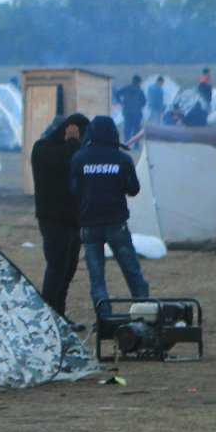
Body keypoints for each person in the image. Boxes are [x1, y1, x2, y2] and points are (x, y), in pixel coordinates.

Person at [69, 115, 148, 314]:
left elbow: (73, 190)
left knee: (97, 278)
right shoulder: (122, 158)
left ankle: (104, 320)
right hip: (116, 223)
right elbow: (134, 189)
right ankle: (145, 315)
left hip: (90, 225)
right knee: (132, 272)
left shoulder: (80, 158)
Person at [30, 111, 90, 318]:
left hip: (72, 220)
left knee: (68, 270)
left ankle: (60, 315)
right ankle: (49, 316)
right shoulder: (41, 149)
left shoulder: (73, 149)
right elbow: (62, 161)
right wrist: (72, 142)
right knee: (57, 268)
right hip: (53, 219)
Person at [116, 76, 146, 144]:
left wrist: (121, 103)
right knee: (136, 129)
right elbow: (144, 102)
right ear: (138, 82)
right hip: (137, 113)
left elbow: (117, 94)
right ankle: (136, 144)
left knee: (127, 128)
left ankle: (126, 143)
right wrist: (139, 106)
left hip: (127, 112)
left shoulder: (126, 88)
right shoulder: (140, 90)